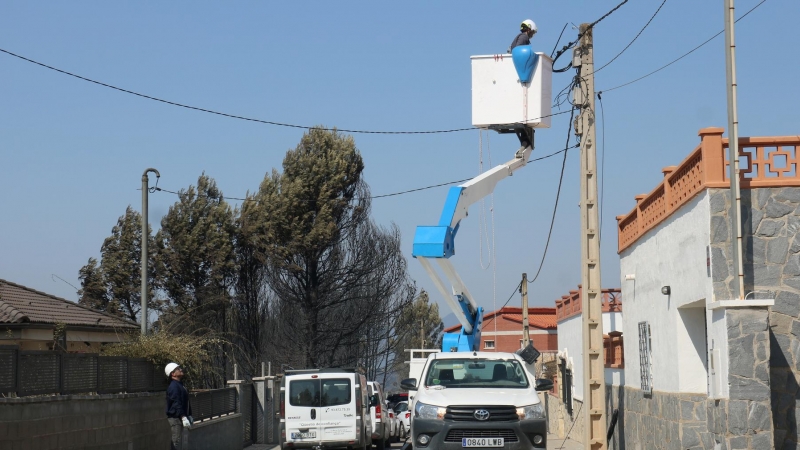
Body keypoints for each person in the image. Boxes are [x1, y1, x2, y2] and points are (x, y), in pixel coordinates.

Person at [508, 19, 537, 150]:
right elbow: (519, 52)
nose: (532, 35)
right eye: (533, 32)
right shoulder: (523, 38)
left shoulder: (517, 38)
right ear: (529, 29)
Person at [165, 362, 193, 450]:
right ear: (172, 374)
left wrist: (189, 415)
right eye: (177, 369)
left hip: (179, 417)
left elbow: (185, 401)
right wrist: (183, 417)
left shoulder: (179, 385)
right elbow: (176, 403)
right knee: (175, 441)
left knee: (178, 441)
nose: (180, 370)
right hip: (175, 418)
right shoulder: (174, 386)